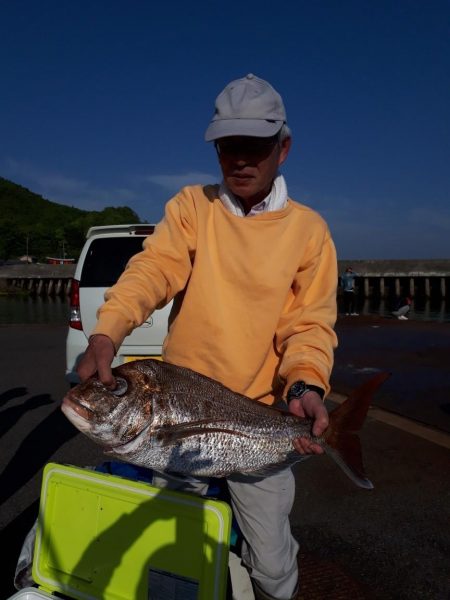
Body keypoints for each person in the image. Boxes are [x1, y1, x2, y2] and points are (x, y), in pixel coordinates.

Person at [76, 73, 338, 600]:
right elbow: (154, 268)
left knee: (270, 562)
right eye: (227, 147)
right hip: (177, 411)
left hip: (260, 415)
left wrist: (306, 384)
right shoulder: (192, 207)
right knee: (174, 548)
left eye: (254, 146)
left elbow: (309, 324)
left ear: (283, 148)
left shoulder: (309, 231)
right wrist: (107, 331)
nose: (240, 159)